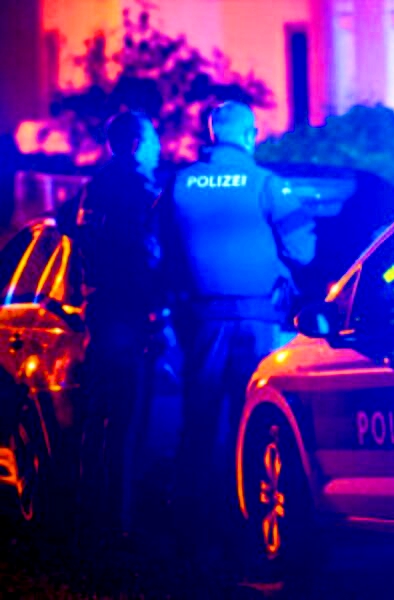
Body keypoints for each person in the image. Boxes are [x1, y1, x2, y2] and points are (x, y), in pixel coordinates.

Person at [158, 101, 315, 574]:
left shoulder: (179, 185)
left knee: (198, 426)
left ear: (212, 134)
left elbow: (157, 250)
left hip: (202, 321)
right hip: (259, 321)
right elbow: (304, 250)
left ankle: (188, 533)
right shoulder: (267, 184)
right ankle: (249, 528)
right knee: (256, 422)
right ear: (249, 135)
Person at [61, 111, 162, 552]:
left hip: (99, 308)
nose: (159, 148)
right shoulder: (138, 193)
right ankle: (121, 522)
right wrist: (157, 308)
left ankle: (88, 514)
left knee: (99, 414)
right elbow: (147, 255)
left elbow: (68, 229)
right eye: (153, 140)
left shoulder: (92, 189)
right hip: (127, 311)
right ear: (136, 144)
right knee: (127, 417)